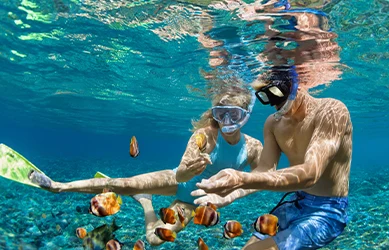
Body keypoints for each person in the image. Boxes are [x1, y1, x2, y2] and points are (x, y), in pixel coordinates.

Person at [29, 87, 263, 246]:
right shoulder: (205, 135)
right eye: (221, 114)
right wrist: (189, 169)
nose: (227, 122)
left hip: (192, 203)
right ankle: (58, 186)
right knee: (121, 184)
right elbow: (181, 172)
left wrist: (233, 192)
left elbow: (263, 177)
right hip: (175, 181)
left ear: (246, 116)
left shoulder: (253, 147)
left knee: (154, 239)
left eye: (234, 115)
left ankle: (145, 201)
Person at [193, 66, 352, 250]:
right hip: (296, 200)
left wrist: (240, 179)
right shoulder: (273, 123)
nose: (273, 103)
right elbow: (264, 171)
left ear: (295, 85)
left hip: (328, 210)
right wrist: (231, 194)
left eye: (276, 93)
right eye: (265, 96)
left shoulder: (332, 110)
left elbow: (311, 173)